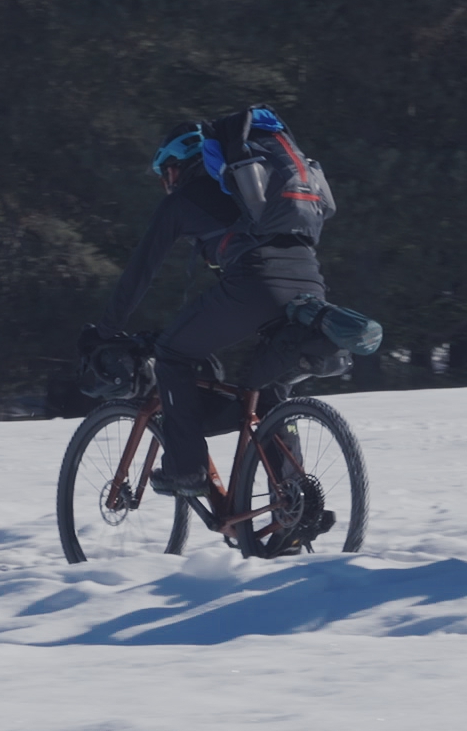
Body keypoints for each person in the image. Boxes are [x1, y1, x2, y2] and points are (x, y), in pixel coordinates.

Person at [93, 113, 328, 497]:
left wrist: (104, 331)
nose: (166, 184)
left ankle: (187, 470)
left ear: (177, 167)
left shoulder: (185, 199)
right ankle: (292, 505)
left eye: (165, 174)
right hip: (311, 283)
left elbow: (139, 273)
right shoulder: (253, 189)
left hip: (257, 283)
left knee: (171, 354)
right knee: (265, 389)